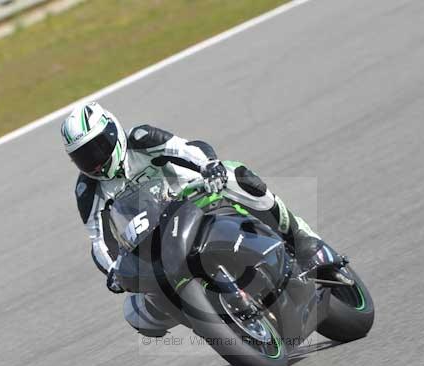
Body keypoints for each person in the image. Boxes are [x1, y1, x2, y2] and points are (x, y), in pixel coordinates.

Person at [62, 101, 346, 336]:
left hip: (196, 198)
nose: (94, 162)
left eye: (97, 148)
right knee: (135, 312)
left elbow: (183, 148)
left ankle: (300, 238)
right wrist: (113, 271)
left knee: (238, 176)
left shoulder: (141, 138)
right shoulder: (87, 190)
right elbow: (98, 240)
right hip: (154, 238)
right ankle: (209, 318)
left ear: (112, 132)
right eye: (83, 157)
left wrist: (209, 166)